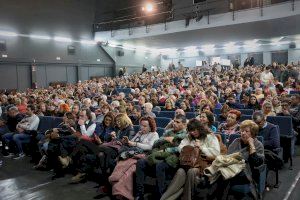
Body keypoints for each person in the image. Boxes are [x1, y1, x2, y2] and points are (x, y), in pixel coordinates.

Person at [135, 114, 187, 199]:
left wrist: (167, 148)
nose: (174, 123)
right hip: (158, 154)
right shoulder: (168, 132)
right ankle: (139, 194)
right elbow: (155, 143)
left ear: (184, 125)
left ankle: (159, 195)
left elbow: (180, 149)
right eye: (174, 121)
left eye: (178, 122)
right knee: (140, 162)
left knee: (160, 166)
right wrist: (165, 139)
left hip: (172, 158)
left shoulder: (186, 135)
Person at [220, 120, 264, 199]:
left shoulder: (258, 145)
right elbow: (228, 157)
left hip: (246, 173)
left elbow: (257, 163)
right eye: (242, 131)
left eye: (246, 131)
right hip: (232, 169)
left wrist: (251, 146)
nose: (243, 133)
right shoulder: (236, 141)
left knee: (223, 180)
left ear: (253, 133)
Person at [177, 119, 220, 200]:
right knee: (180, 171)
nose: (193, 133)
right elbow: (180, 148)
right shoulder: (189, 137)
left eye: (195, 130)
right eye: (191, 131)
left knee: (192, 171)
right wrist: (190, 147)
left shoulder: (210, 137)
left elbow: (216, 153)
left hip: (205, 163)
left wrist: (201, 147)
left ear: (199, 128)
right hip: (190, 162)